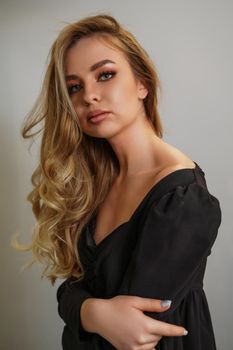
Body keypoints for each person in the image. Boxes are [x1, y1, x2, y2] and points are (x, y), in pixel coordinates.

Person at [14, 13, 222, 350]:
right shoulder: (98, 181)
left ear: (142, 84)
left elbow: (131, 335)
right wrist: (93, 312)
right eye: (74, 87)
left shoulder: (183, 199)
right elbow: (71, 290)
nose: (88, 96)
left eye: (105, 75)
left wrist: (82, 309)